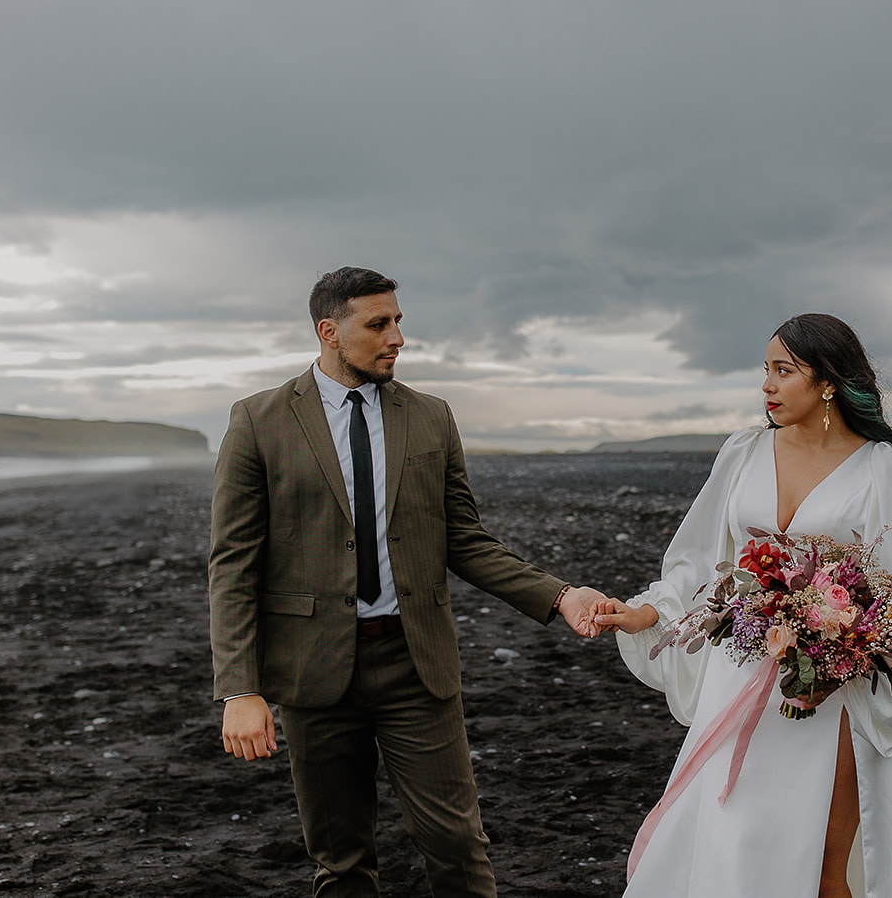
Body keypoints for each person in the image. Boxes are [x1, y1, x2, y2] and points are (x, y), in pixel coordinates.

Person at [208, 266, 607, 897]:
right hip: (312, 670)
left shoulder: (430, 417)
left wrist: (560, 596)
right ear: (328, 331)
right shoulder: (258, 420)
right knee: (341, 860)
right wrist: (239, 688)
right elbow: (234, 563)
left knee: (456, 845)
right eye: (378, 324)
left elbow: (466, 542)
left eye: (398, 322)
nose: (397, 337)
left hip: (414, 661)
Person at [593, 314, 892, 898]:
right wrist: (649, 613)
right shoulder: (743, 452)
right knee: (729, 844)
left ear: (828, 383)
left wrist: (844, 653)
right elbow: (699, 560)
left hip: (834, 692)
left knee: (825, 867)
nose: (766, 385)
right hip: (737, 677)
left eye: (783, 371)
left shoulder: (883, 469)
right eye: (764, 370)